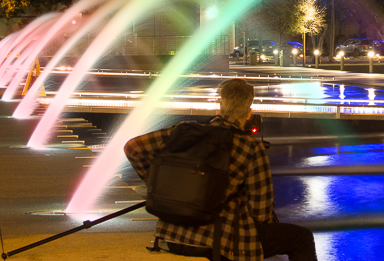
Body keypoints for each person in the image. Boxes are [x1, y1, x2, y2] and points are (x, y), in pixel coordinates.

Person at [125, 78, 317, 261]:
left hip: (173, 236)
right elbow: (261, 211)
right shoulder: (250, 147)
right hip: (221, 242)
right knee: (301, 238)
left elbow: (133, 148)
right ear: (249, 112)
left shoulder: (183, 132)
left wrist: (159, 186)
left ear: (219, 106)